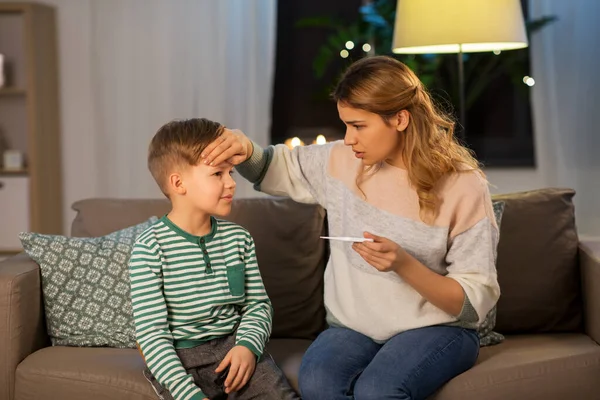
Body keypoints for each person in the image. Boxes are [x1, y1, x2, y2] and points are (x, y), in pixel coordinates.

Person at [200, 56, 501, 400]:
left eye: (358, 126)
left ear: (400, 119)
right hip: (354, 328)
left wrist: (403, 264)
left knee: (377, 389)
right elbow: (274, 168)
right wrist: (244, 147)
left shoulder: (463, 184)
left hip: (439, 330)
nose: (349, 139)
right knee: (317, 382)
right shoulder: (343, 160)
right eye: (345, 125)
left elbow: (472, 301)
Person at [128, 118, 298, 400]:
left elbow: (258, 305)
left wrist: (247, 347)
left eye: (231, 172)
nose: (232, 183)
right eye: (218, 174)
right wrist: (188, 394)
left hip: (234, 350)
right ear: (178, 183)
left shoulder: (238, 239)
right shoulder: (150, 248)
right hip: (179, 362)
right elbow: (152, 337)